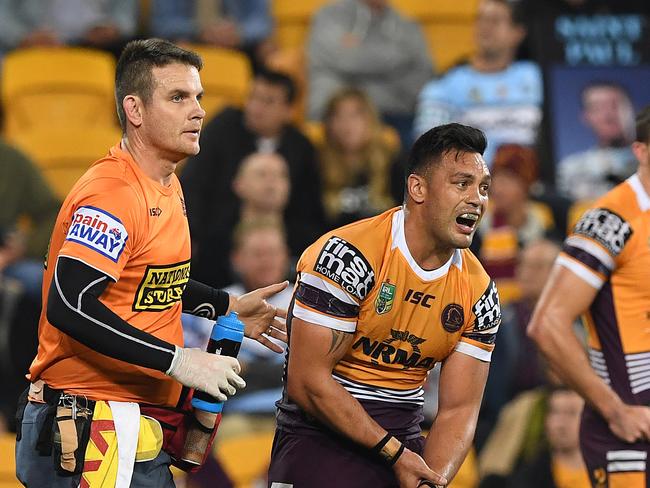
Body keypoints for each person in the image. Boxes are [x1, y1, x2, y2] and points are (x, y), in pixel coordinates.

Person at [14, 39, 288, 487]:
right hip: (89, 429)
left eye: (198, 97)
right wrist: (178, 361)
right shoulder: (114, 194)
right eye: (178, 98)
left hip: (127, 425)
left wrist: (225, 307)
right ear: (135, 110)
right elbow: (70, 302)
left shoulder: (165, 183)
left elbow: (149, 280)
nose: (197, 110)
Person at [268, 123, 502, 487]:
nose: (477, 199)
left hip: (404, 442)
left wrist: (430, 480)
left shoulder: (480, 293)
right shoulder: (347, 257)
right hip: (319, 437)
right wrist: (395, 453)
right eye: (462, 184)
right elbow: (308, 382)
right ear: (417, 188)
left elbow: (460, 410)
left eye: (483, 187)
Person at [527, 105, 650, 487]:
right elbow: (547, 325)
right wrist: (614, 411)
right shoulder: (610, 220)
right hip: (630, 435)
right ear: (640, 151)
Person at [180, 68, 325, 288]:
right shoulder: (223, 128)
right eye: (253, 97)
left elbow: (309, 209)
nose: (256, 108)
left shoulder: (300, 146)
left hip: (283, 243)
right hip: (218, 241)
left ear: (288, 111)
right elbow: (193, 186)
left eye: (268, 101)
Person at [414, 0, 543, 166]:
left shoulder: (537, 78)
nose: (485, 27)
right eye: (481, 19)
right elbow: (427, 155)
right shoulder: (443, 87)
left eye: (495, 21)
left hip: (529, 183)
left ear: (518, 33)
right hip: (469, 184)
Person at [307, 0, 433, 147]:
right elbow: (344, 59)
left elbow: (423, 74)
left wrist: (356, 59)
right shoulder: (329, 16)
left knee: (423, 145)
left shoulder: (407, 25)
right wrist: (397, 60)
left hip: (396, 113)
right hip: (336, 114)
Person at [319, 87, 399, 228]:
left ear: (371, 121)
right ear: (329, 124)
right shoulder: (316, 166)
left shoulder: (394, 164)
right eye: (338, 116)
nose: (347, 124)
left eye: (355, 115)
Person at [557, 81, 638, 201]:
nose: (608, 115)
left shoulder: (645, 160)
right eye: (597, 108)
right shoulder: (571, 169)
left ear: (632, 110)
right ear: (585, 117)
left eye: (615, 106)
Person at [150, 0, 275, 70]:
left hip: (238, 40)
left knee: (267, 49)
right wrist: (200, 30)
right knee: (174, 46)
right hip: (191, 39)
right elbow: (162, 23)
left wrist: (238, 33)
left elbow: (262, 22)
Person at [507, 388, 590, 488]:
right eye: (555, 412)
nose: (560, 424)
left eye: (571, 413)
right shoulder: (529, 474)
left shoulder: (607, 470)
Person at [0, 0, 137, 57]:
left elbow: (125, 13)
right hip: (38, 43)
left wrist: (114, 28)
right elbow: (3, 15)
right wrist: (23, 38)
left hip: (99, 44)